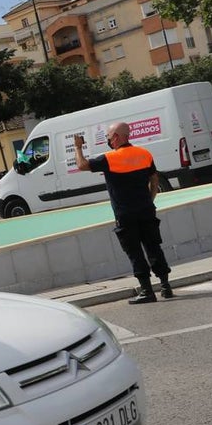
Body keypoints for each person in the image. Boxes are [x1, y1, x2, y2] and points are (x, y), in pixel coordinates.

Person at [74, 123, 173, 304]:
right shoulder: (145, 154)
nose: (108, 141)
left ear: (117, 137)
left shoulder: (110, 158)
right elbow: (154, 179)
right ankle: (166, 286)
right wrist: (150, 200)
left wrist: (78, 147)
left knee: (134, 252)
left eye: (109, 137)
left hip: (125, 214)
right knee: (154, 247)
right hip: (146, 211)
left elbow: (81, 165)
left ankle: (147, 291)